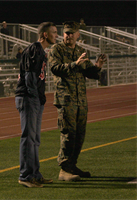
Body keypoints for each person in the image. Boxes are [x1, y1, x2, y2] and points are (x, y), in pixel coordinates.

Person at [48, 21, 106, 181]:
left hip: (80, 99)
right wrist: (74, 64)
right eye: (67, 32)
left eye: (72, 33)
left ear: (78, 34)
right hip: (66, 98)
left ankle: (72, 165)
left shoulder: (81, 50)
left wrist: (98, 66)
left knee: (80, 134)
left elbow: (89, 72)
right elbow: (55, 68)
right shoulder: (56, 49)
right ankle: (64, 169)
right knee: (68, 133)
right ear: (63, 34)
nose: (69, 35)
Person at [15, 22, 58, 188]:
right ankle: (25, 176)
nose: (56, 35)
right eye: (54, 32)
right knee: (28, 138)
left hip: (34, 98)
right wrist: (35, 97)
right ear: (45, 34)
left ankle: (34, 174)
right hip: (28, 98)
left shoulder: (41, 51)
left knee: (35, 139)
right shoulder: (35, 49)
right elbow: (31, 78)